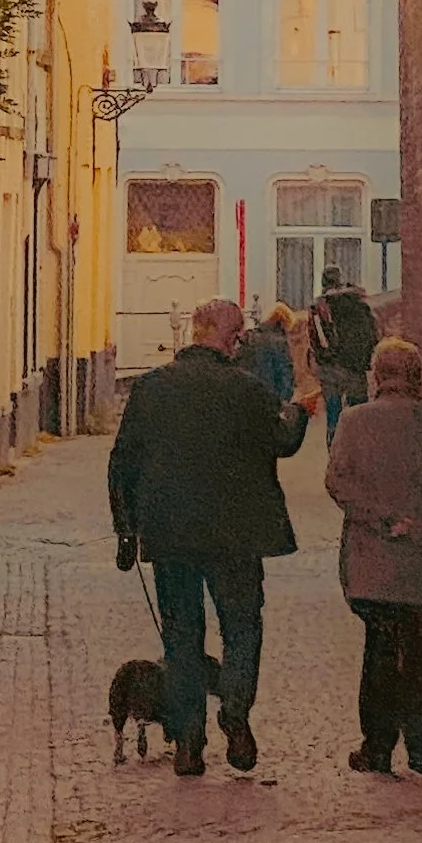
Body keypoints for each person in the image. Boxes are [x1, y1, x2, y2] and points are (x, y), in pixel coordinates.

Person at [107, 297, 308, 774]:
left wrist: (125, 530)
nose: (240, 343)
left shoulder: (152, 388)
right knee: (241, 628)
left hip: (170, 534)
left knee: (181, 637)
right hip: (235, 536)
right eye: (237, 335)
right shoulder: (247, 389)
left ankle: (189, 741)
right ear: (227, 337)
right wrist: (300, 412)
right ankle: (234, 712)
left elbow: (122, 462)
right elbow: (282, 442)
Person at [323, 336, 422, 783]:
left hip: (374, 567)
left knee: (380, 654)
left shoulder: (354, 422)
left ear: (377, 376)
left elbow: (338, 482)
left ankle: (377, 747)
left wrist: (382, 518)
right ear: (417, 377)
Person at [307, 269, 380, 447]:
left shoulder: (320, 307)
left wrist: (322, 358)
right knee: (359, 414)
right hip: (356, 368)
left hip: (331, 368)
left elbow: (316, 339)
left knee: (334, 416)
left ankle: (336, 454)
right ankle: (360, 450)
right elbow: (373, 334)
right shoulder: (358, 302)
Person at [238, 302, 297, 408]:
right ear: (285, 323)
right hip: (270, 397)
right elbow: (285, 374)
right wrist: (284, 401)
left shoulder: (251, 337)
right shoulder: (280, 342)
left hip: (248, 396)